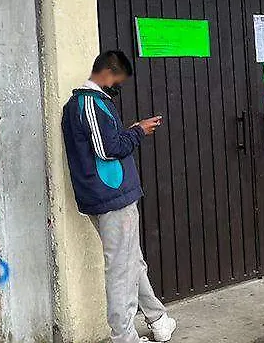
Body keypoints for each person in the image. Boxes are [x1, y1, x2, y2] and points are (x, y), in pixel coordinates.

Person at [61, 50, 177, 343]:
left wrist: (131, 131)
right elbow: (106, 150)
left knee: (131, 262)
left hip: (111, 197)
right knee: (121, 270)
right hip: (112, 198)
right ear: (108, 73)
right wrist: (138, 132)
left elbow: (104, 143)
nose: (119, 86)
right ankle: (123, 337)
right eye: (119, 79)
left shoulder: (92, 104)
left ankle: (158, 319)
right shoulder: (88, 104)